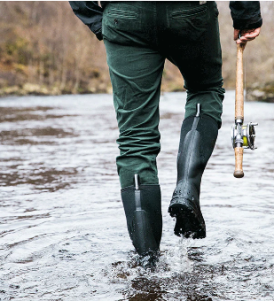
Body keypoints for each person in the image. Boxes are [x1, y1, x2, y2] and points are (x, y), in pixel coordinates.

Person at [70, 1, 262, 261]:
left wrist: (97, 19)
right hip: (190, 11)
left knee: (135, 139)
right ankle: (186, 188)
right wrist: (245, 15)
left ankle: (148, 265)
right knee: (204, 90)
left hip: (123, 15)